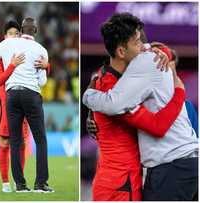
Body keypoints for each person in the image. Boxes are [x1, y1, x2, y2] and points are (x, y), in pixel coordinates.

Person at [83, 13, 198, 201]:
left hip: (169, 168)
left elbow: (156, 51)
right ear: (121, 51)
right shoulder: (115, 90)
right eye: (137, 43)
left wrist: (165, 53)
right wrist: (179, 92)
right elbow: (157, 125)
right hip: (121, 182)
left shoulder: (138, 64)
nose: (145, 47)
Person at [0, 17, 53, 193]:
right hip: (30, 94)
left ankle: (20, 185)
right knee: (40, 140)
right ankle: (40, 184)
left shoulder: (9, 44)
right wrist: (45, 67)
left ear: (21, 31)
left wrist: (9, 58)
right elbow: (43, 82)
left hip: (12, 96)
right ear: (35, 31)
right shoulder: (41, 50)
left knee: (15, 142)